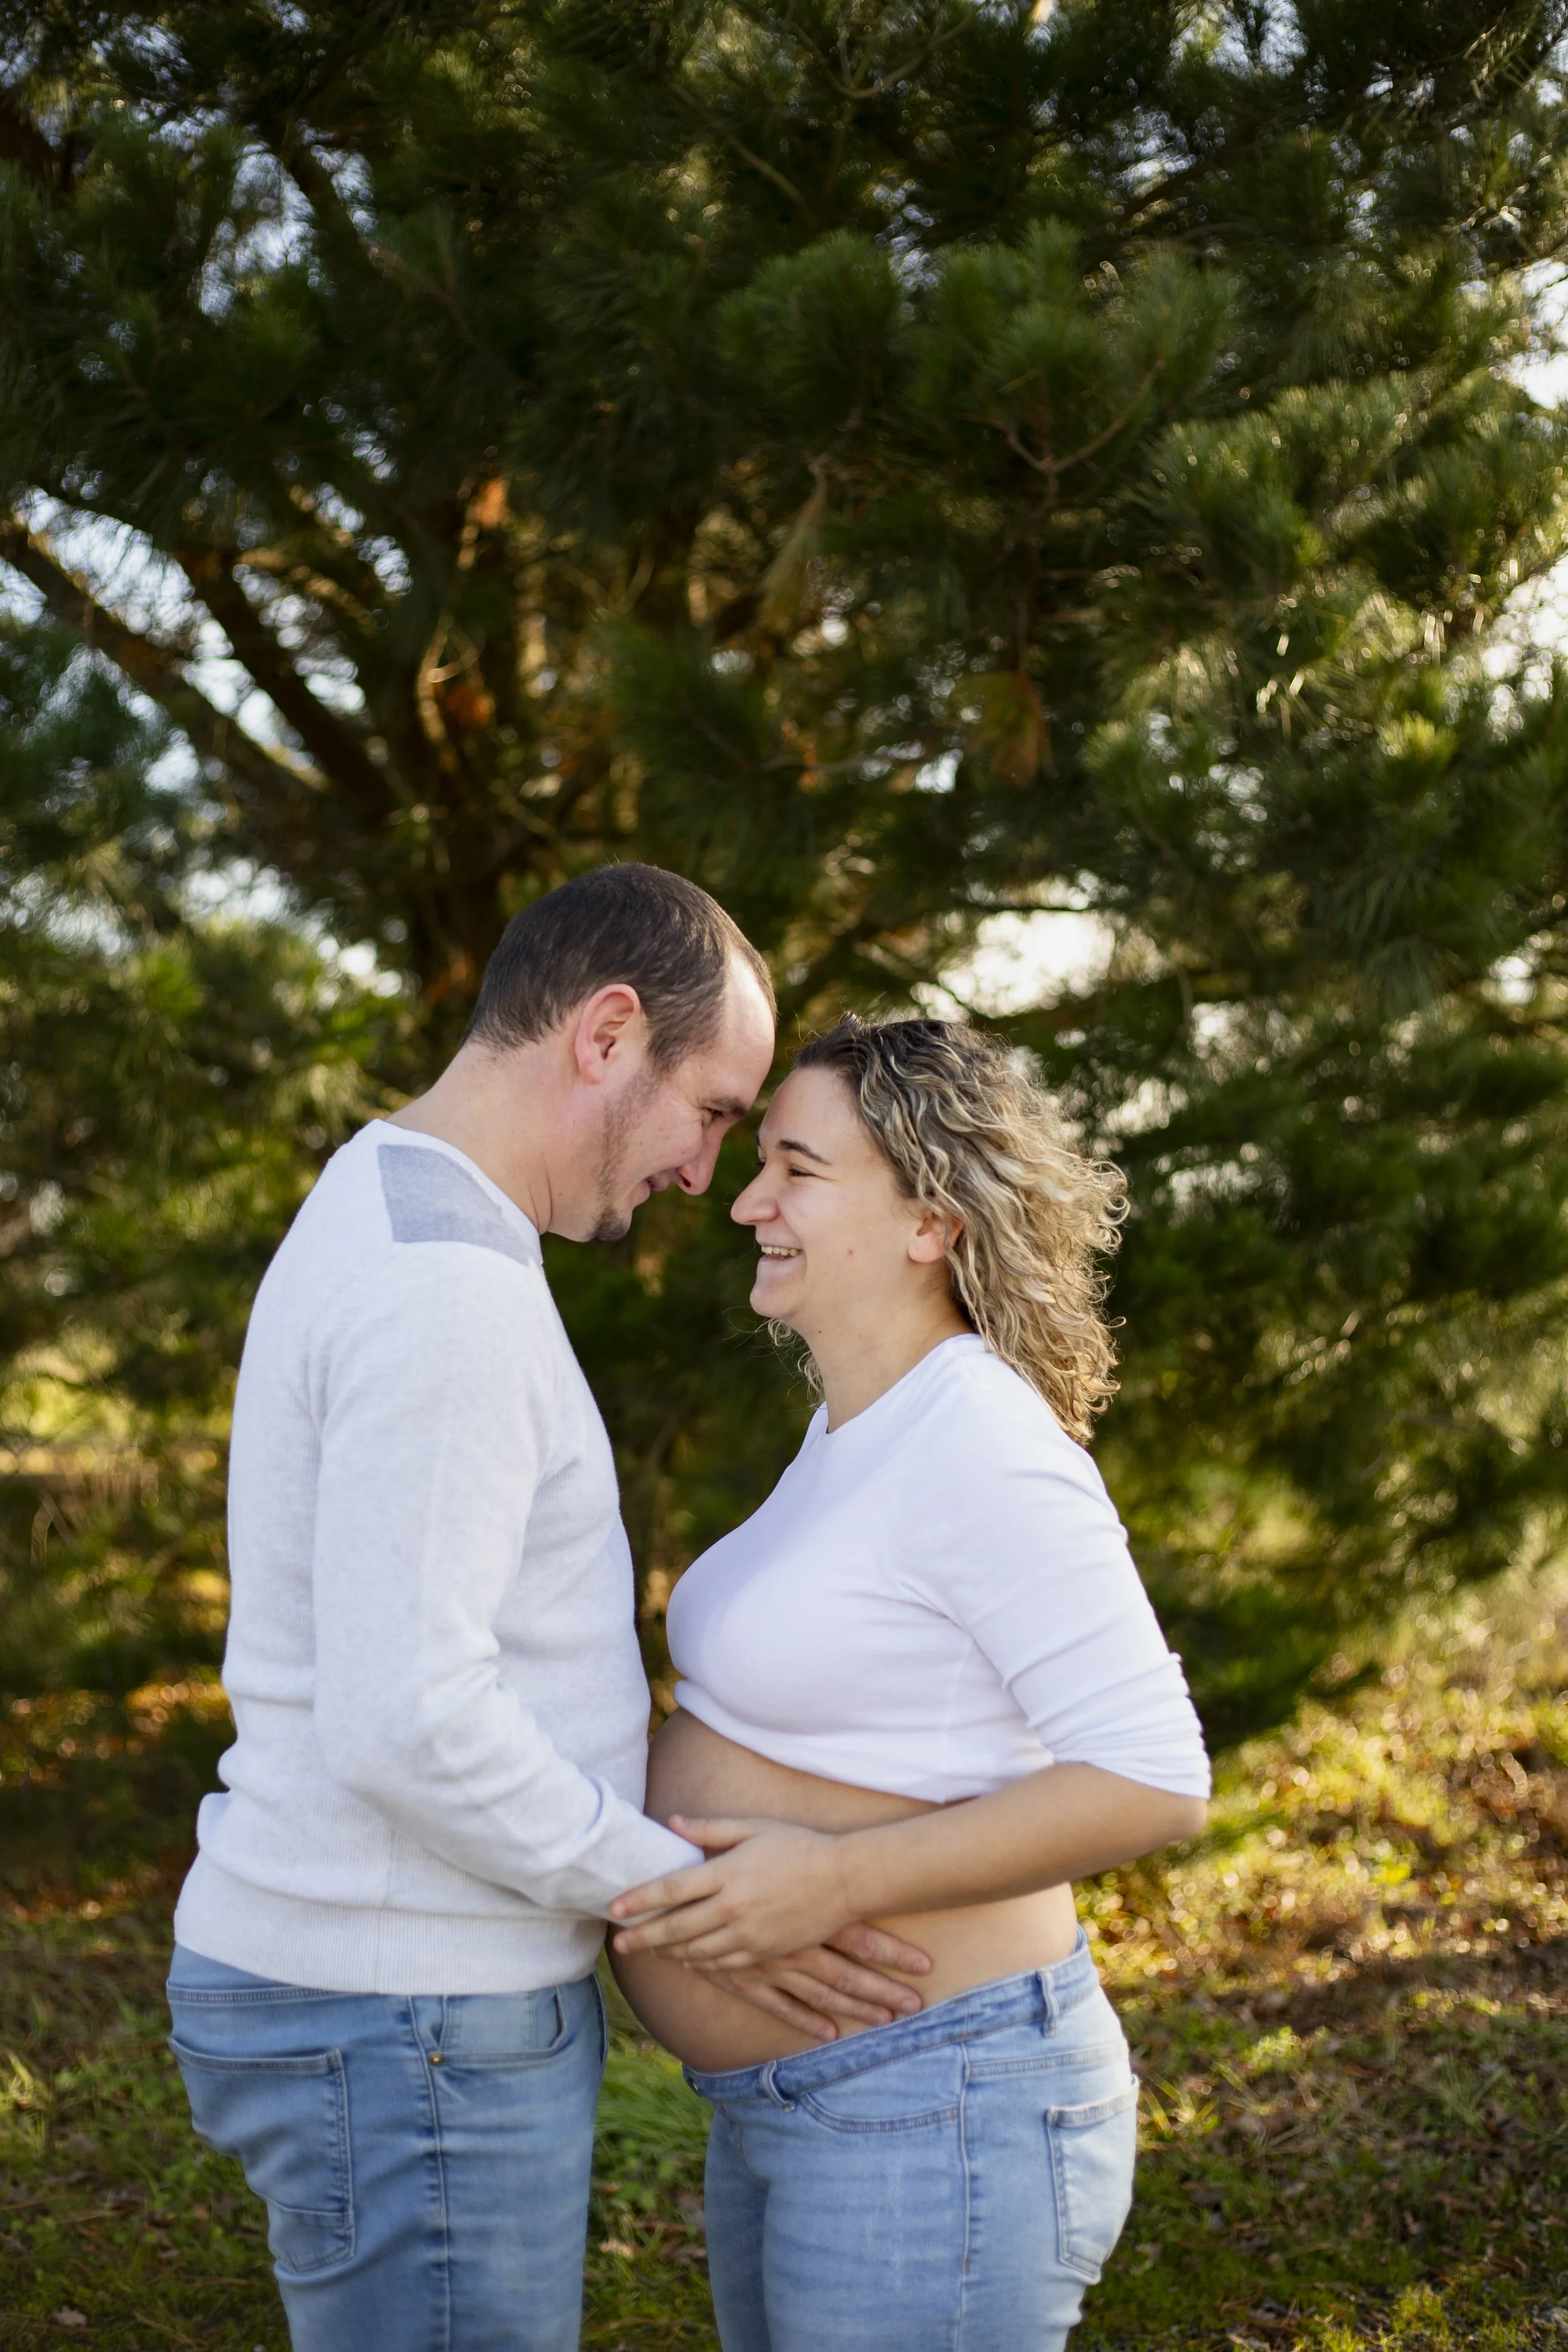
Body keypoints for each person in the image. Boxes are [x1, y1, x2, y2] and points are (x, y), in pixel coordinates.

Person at [165, 868, 928, 2352]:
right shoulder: (444, 1290)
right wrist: (688, 1902)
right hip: (408, 2024)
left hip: (395, 2013)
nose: (708, 1174)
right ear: (605, 1033)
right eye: (711, 1110)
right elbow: (413, 1719)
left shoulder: (388, 1197)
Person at [608, 1014, 1212, 2352]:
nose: (747, 1200)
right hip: (815, 2100)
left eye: (796, 1168)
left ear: (928, 1221)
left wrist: (832, 1882)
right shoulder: (852, 1432)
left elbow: (1153, 1779)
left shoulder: (977, 1441)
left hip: (935, 2094)